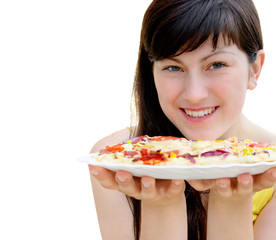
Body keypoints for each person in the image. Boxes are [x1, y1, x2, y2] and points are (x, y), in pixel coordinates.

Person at [89, 0, 276, 239]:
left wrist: (232, 201)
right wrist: (162, 204)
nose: (194, 95)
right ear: (152, 71)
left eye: (217, 64)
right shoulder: (118, 160)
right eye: (173, 68)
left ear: (255, 70)